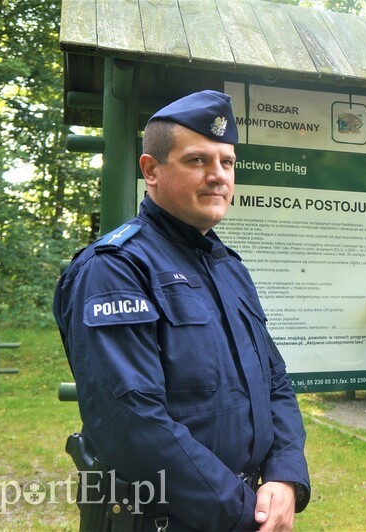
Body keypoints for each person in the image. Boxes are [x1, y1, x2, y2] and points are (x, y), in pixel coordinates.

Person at [54, 90, 310, 531]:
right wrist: (242, 513)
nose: (218, 176)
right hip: (161, 518)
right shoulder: (115, 269)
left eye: (226, 162)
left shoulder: (228, 267)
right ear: (151, 170)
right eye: (197, 161)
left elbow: (275, 382)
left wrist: (286, 476)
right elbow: (131, 422)